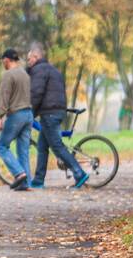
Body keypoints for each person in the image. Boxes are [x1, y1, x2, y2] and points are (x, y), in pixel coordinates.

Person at [27, 43, 89, 189]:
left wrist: (30, 112)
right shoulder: (53, 70)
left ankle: (79, 173)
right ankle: (38, 181)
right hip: (57, 111)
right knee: (42, 147)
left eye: (29, 59)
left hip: (49, 114)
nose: (28, 62)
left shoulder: (39, 70)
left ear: (36, 57)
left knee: (57, 146)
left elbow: (36, 93)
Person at [0, 48, 33, 191]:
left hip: (16, 115)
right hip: (28, 114)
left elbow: (4, 96)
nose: (2, 63)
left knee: (2, 146)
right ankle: (26, 184)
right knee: (23, 150)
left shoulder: (8, 75)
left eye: (2, 60)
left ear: (7, 60)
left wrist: (0, 115)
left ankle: (19, 173)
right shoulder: (25, 74)